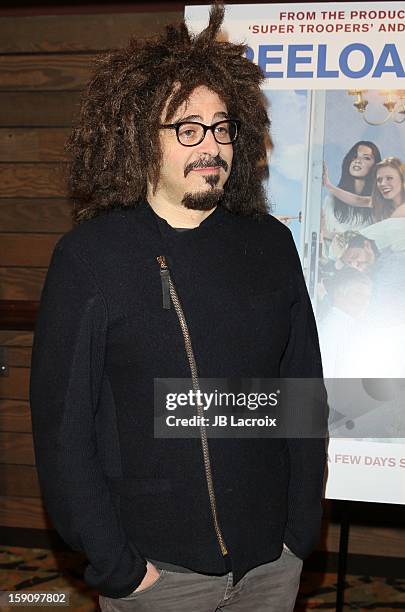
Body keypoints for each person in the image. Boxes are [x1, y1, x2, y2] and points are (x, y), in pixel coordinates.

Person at [29, 5, 327, 611]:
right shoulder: (90, 257)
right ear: (141, 137)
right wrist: (119, 568)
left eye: (222, 128)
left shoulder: (270, 242)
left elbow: (301, 390)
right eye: (187, 129)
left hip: (272, 564)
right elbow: (64, 434)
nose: (210, 146)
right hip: (157, 575)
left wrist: (299, 534)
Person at [370, 157, 405, 221]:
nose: (383, 184)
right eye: (379, 180)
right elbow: (358, 200)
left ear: (402, 179)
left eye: (389, 178)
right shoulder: (379, 203)